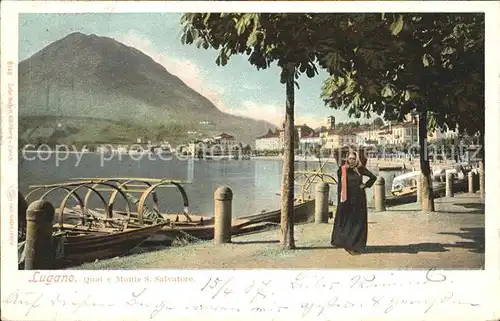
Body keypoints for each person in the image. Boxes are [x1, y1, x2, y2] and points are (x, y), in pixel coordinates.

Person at [331, 151, 377, 255]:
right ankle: (348, 245)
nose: (351, 160)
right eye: (350, 158)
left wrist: (365, 186)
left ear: (356, 159)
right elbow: (340, 187)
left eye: (353, 158)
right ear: (346, 159)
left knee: (359, 223)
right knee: (348, 223)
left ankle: (357, 246)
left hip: (359, 199)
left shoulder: (360, 168)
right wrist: (340, 200)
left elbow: (373, 177)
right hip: (347, 200)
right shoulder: (342, 170)